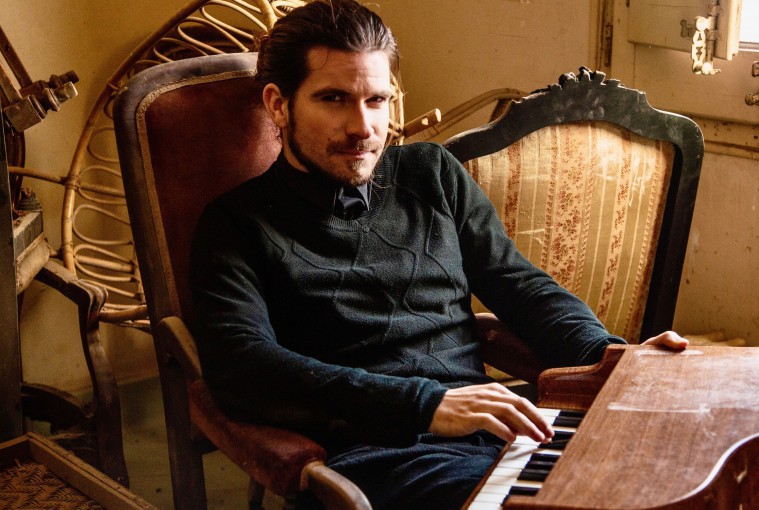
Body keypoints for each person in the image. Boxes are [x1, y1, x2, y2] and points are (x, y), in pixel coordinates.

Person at [188, 1, 688, 508]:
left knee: (675, 476)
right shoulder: (235, 224)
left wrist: (611, 359)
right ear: (278, 104)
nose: (363, 126)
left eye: (376, 100)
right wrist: (428, 405)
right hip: (382, 459)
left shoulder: (432, 173)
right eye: (334, 99)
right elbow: (243, 369)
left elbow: (520, 285)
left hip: (501, 435)